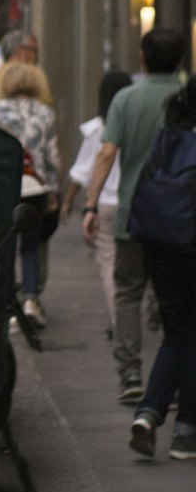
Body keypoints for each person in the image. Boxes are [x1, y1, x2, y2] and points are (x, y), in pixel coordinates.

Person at [82, 27, 185, 403]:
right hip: (180, 220)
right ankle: (170, 377)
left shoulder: (126, 98)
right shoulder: (186, 97)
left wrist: (91, 204)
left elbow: (107, 154)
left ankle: (130, 374)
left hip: (133, 215)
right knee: (172, 298)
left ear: (142, 57)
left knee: (128, 294)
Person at [127, 74, 196, 461]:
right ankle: (186, 431)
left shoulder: (170, 136)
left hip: (162, 245)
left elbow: (145, 183)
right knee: (191, 336)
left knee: (177, 333)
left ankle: (149, 413)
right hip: (191, 246)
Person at [0, 62, 61, 329]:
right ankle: (30, 299)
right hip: (35, 187)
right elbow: (53, 157)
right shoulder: (45, 113)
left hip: (6, 185)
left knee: (6, 246)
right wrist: (53, 191)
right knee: (30, 245)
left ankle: (8, 307)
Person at [61, 70, 133, 332]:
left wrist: (69, 201)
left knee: (109, 265)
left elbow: (81, 172)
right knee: (135, 266)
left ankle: (120, 322)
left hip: (104, 204)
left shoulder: (97, 129)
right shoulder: (135, 124)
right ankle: (135, 317)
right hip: (133, 202)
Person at [0, 30, 53, 114]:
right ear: (20, 51)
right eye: (34, 50)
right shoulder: (35, 82)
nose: (37, 57)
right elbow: (46, 104)